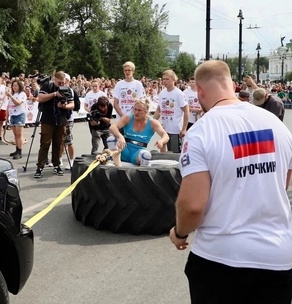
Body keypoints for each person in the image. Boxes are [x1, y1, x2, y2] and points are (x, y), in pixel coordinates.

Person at [169, 60, 292, 304]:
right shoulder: (276, 125)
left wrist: (180, 233)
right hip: (277, 256)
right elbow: (285, 180)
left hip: (220, 258)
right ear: (232, 85)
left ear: (200, 92)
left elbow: (193, 205)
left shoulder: (202, 131)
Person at [34, 71, 74, 178]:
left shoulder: (67, 89)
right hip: (48, 119)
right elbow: (40, 98)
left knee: (58, 143)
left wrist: (64, 106)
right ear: (54, 79)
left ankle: (57, 165)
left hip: (61, 119)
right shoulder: (48, 85)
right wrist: (54, 94)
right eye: (59, 82)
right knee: (45, 143)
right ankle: (40, 166)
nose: (61, 84)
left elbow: (72, 104)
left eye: (63, 82)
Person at [109, 98, 169, 165]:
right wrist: (120, 136)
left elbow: (165, 136)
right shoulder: (128, 117)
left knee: (146, 155)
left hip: (138, 152)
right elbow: (112, 127)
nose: (136, 112)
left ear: (146, 111)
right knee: (111, 139)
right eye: (135, 109)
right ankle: (117, 165)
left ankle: (142, 172)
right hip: (125, 149)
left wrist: (161, 141)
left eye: (140, 110)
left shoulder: (153, 122)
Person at [153, 69, 189, 153]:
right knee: (164, 153)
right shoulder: (162, 93)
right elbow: (159, 110)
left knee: (174, 153)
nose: (164, 81)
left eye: (167, 79)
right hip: (164, 129)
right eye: (163, 79)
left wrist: (184, 128)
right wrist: (152, 122)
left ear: (173, 79)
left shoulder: (179, 93)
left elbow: (186, 111)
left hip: (175, 130)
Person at [6, 79, 27, 159]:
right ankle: (17, 149)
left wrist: (10, 96)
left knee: (19, 134)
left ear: (19, 86)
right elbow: (9, 106)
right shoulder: (13, 94)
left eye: (16, 85)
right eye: (13, 85)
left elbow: (17, 103)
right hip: (13, 115)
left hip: (19, 114)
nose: (14, 87)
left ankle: (20, 151)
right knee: (15, 134)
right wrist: (7, 116)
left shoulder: (22, 94)